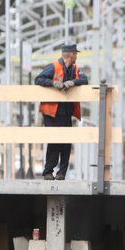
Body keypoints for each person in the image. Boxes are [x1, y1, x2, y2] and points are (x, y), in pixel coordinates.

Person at [35, 43, 89, 180]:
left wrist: (72, 82)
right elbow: (39, 79)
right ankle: (48, 171)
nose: (76, 56)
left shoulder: (75, 69)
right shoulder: (53, 67)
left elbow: (84, 79)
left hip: (66, 112)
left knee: (66, 143)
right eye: (75, 54)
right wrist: (53, 84)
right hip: (52, 111)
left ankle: (61, 173)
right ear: (70, 55)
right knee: (54, 141)